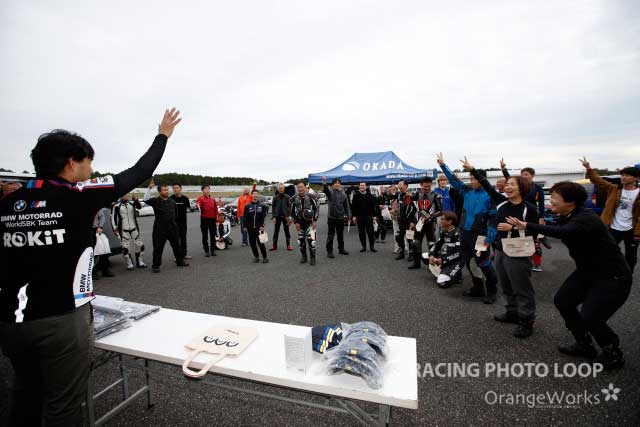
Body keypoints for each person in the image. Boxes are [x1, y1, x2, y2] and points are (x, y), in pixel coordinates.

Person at [0, 108, 181, 426]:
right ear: (71, 163)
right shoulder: (77, 195)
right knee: (64, 406)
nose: (92, 169)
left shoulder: (9, 202)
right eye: (88, 162)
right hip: (61, 320)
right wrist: (162, 135)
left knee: (25, 395)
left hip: (11, 321)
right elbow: (139, 171)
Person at [507, 182, 632, 369]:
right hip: (586, 272)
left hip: (612, 276)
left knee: (591, 317)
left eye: (555, 198)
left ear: (570, 202)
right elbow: (554, 225)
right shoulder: (567, 215)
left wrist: (526, 224)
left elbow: (562, 232)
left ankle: (613, 353)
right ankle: (583, 343)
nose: (551, 201)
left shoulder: (586, 218)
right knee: (563, 301)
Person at [462, 157, 539, 338]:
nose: (508, 187)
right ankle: (511, 312)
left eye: (512, 185)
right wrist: (472, 169)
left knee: (522, 288)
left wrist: (514, 228)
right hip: (501, 250)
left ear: (522, 188)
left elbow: (534, 232)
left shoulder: (529, 209)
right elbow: (486, 184)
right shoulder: (501, 202)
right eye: (507, 184)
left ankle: (526, 321)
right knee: (506, 284)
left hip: (519, 252)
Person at [437, 153, 499, 304]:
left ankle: (492, 291)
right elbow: (454, 180)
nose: (472, 181)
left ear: (482, 179)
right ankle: (478, 288)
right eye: (470, 179)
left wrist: (490, 238)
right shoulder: (467, 191)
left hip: (481, 235)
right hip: (465, 233)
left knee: (484, 263)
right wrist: (443, 166)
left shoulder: (490, 195)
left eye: (475, 179)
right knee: (469, 262)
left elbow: (493, 218)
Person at [580, 158, 639, 273]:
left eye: (627, 175)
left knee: (631, 255)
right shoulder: (614, 189)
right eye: (622, 175)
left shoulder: (638, 193)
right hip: (613, 227)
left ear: (636, 178)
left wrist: (638, 233)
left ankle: (627, 275)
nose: (623, 177)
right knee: (605, 251)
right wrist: (588, 168)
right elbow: (597, 181)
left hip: (631, 230)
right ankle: (606, 273)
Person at [500, 160, 546, 272]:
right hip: (518, 213)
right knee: (515, 236)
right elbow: (510, 179)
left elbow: (541, 203)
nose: (524, 176)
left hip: (530, 214)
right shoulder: (518, 186)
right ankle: (514, 258)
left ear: (532, 175)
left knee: (533, 239)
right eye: (522, 174)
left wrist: (541, 217)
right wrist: (504, 170)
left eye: (526, 174)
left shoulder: (537, 188)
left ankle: (535, 263)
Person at [144, 181, 189, 272]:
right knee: (158, 248)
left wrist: (174, 225)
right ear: (159, 191)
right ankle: (156, 265)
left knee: (177, 246)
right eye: (164, 190)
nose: (166, 191)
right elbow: (145, 199)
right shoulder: (155, 201)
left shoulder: (172, 202)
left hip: (172, 228)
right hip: (160, 229)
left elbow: (176, 214)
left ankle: (180, 261)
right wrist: (149, 188)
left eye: (167, 190)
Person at [408, 177, 442, 270]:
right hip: (419, 222)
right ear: (421, 185)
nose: (426, 188)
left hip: (430, 223)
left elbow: (440, 211)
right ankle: (417, 263)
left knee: (431, 244)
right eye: (425, 186)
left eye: (428, 186)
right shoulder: (417, 194)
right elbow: (408, 204)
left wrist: (430, 216)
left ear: (431, 185)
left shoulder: (436, 195)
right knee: (416, 242)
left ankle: (432, 264)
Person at [427, 211, 463, 288]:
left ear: (450, 221)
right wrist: (431, 255)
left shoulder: (458, 233)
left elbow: (460, 253)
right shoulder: (444, 231)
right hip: (446, 257)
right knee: (425, 256)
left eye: (442, 219)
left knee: (442, 283)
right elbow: (437, 245)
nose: (440, 220)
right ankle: (444, 271)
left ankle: (457, 276)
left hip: (456, 260)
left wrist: (443, 260)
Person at [112, 193, 147, 270]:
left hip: (134, 228)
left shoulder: (132, 203)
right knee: (125, 248)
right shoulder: (116, 206)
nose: (126, 196)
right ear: (121, 196)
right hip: (123, 229)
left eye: (127, 195)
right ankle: (129, 264)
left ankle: (140, 262)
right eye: (124, 195)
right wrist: (114, 228)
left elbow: (139, 207)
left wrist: (136, 200)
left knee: (140, 245)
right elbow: (113, 218)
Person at [290, 181, 319, 265]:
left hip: (310, 223)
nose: (300, 189)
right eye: (298, 187)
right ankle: (304, 256)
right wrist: (296, 222)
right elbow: (292, 212)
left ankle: (312, 257)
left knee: (312, 242)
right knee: (301, 241)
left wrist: (315, 220)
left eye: (301, 187)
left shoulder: (311, 197)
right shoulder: (294, 199)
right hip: (300, 224)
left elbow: (316, 209)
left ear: (305, 187)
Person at [322, 176, 351, 258]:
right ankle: (329, 251)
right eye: (335, 183)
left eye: (338, 183)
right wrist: (324, 183)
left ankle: (341, 249)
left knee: (340, 235)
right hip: (331, 217)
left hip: (340, 217)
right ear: (332, 185)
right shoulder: (330, 192)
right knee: (331, 235)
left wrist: (349, 215)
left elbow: (347, 206)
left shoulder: (343, 194)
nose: (337, 184)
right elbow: (326, 190)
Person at [351, 182, 378, 253]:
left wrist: (374, 216)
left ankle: (372, 246)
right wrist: (354, 216)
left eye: (363, 185)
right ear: (359, 187)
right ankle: (363, 246)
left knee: (371, 232)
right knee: (361, 232)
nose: (362, 186)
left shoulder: (370, 195)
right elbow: (353, 207)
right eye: (361, 185)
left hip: (369, 216)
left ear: (366, 187)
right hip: (359, 217)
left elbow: (373, 207)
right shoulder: (356, 196)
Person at [243, 189, 269, 263]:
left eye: (256, 194)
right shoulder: (247, 206)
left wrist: (262, 225)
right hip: (250, 228)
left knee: (261, 243)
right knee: (252, 244)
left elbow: (263, 217)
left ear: (258, 195)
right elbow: (245, 217)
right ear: (251, 195)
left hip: (259, 228)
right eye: (254, 194)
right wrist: (244, 226)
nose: (255, 195)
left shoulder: (262, 206)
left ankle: (265, 257)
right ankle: (256, 257)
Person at [394, 179, 417, 260]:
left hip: (409, 220)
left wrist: (412, 221)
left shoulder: (411, 195)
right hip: (401, 220)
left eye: (401, 184)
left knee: (409, 237)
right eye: (398, 185)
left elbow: (415, 209)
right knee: (399, 237)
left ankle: (411, 254)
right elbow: (400, 207)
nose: (399, 186)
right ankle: (402, 253)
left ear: (406, 186)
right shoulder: (399, 195)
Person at [92, 207, 115, 280]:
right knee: (93, 252)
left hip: (97, 229)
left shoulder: (96, 206)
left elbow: (102, 217)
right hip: (88, 231)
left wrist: (100, 226)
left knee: (104, 250)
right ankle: (93, 272)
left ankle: (105, 269)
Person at [196, 184, 218, 257]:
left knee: (213, 235)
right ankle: (206, 251)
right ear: (202, 190)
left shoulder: (213, 199)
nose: (207, 190)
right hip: (204, 219)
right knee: (205, 236)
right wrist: (198, 206)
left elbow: (215, 210)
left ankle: (213, 250)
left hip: (212, 219)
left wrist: (216, 219)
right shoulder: (200, 198)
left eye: (208, 188)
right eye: (205, 189)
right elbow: (198, 204)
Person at [170, 183, 191, 259]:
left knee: (183, 239)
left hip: (183, 222)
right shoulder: (171, 199)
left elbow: (188, 208)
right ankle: (177, 256)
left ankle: (184, 254)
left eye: (177, 188)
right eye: (174, 188)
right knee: (176, 240)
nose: (176, 189)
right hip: (174, 223)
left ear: (180, 188)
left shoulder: (185, 198)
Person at [270, 183, 292, 251]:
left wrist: (289, 216)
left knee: (287, 231)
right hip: (277, 217)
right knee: (276, 231)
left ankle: (288, 245)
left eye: (282, 188)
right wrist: (273, 217)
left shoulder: (288, 197)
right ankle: (274, 246)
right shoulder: (275, 197)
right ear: (278, 189)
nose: (281, 189)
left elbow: (290, 207)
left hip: (286, 217)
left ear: (284, 189)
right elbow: (273, 207)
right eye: (279, 188)